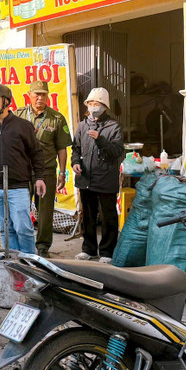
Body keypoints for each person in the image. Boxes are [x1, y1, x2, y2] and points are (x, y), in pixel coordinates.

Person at [0, 85, 46, 255]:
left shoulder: (23, 126)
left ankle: (29, 264)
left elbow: (36, 153)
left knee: (23, 228)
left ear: (6, 102)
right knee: (5, 228)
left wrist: (39, 177)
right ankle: (14, 264)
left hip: (18, 187)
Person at [14, 81, 72, 257]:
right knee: (20, 209)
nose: (40, 97)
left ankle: (43, 246)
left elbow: (62, 148)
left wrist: (62, 173)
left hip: (46, 171)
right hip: (22, 172)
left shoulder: (57, 118)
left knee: (45, 211)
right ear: (29, 95)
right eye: (36, 94)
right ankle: (23, 244)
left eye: (43, 94)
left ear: (47, 96)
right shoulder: (18, 116)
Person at [71, 87, 124, 263]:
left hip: (106, 178)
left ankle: (108, 252)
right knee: (88, 215)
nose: (93, 107)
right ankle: (89, 249)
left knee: (108, 216)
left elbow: (116, 151)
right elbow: (76, 148)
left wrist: (100, 139)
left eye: (97, 104)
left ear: (105, 106)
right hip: (85, 178)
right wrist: (75, 163)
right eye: (91, 103)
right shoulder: (82, 125)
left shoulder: (113, 126)